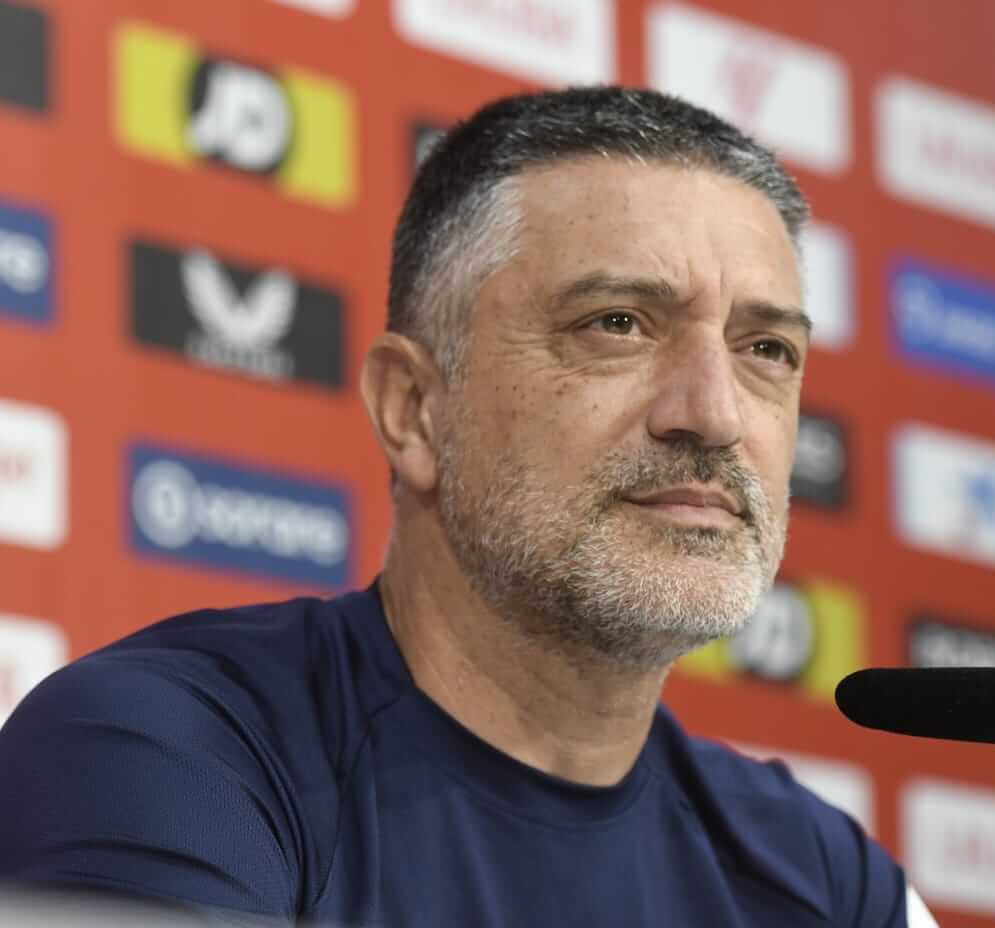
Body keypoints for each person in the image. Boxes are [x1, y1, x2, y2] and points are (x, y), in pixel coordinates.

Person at [0, 86, 935, 927]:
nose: (714, 413)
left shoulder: (833, 882)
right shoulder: (165, 756)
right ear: (414, 409)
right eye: (617, 324)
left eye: (766, 349)